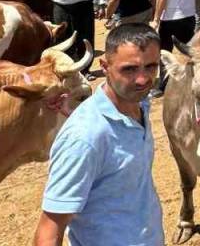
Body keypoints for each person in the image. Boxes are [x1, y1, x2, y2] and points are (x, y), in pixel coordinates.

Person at [35, 24, 163, 246]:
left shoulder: (139, 102)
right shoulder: (84, 138)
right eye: (129, 69)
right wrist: (82, 121)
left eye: (151, 67)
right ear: (104, 66)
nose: (143, 79)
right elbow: (49, 229)